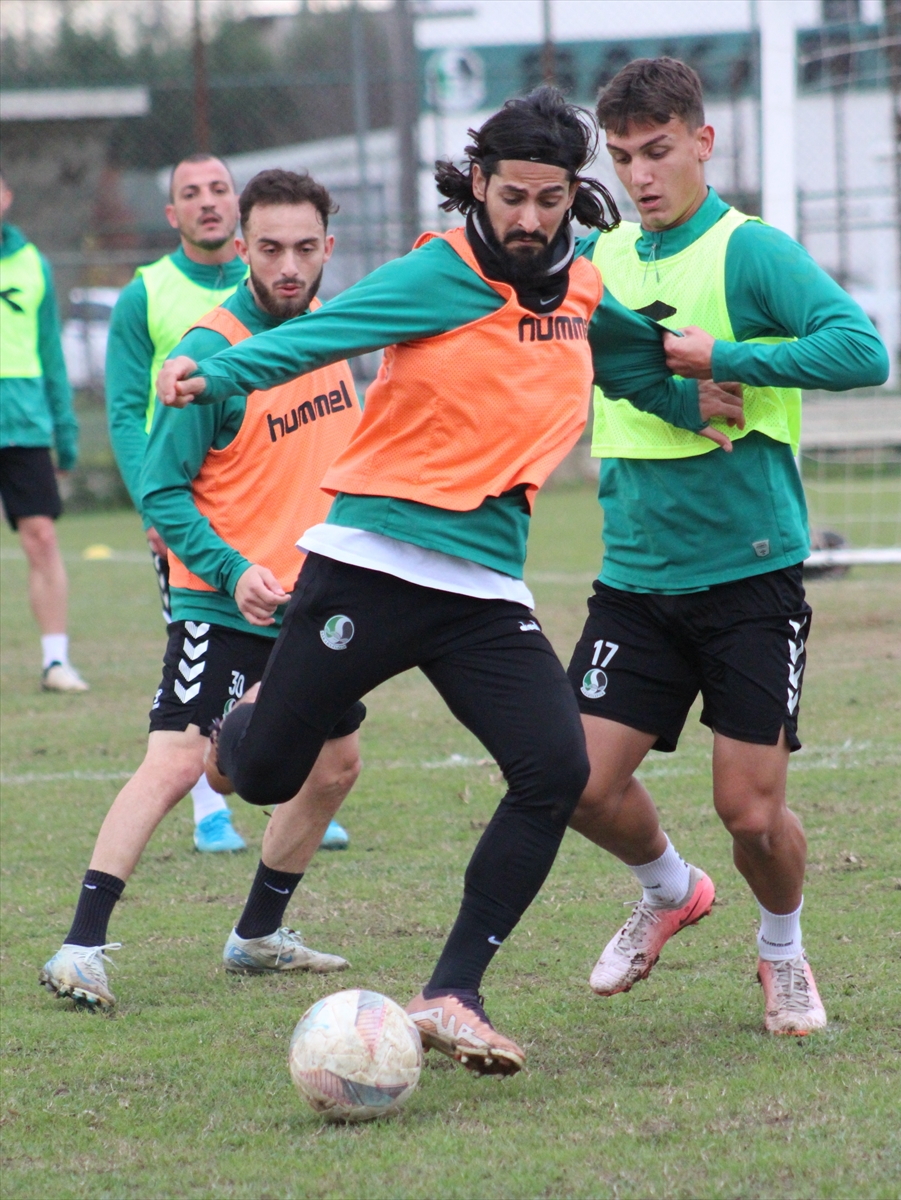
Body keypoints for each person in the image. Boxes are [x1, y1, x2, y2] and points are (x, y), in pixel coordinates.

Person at [157, 89, 743, 1076]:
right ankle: (251, 714)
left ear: (570, 197)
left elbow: (625, 367)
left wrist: (689, 399)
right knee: (259, 775)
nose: (527, 218)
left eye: (548, 200)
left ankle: (453, 993)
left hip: (481, 588)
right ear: (478, 183)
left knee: (554, 771)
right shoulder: (441, 272)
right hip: (370, 562)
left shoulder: (582, 289)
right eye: (510, 195)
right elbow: (321, 334)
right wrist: (213, 374)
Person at [565, 58, 889, 1035]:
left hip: (748, 574)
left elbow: (860, 350)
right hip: (634, 576)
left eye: (658, 152)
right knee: (574, 783)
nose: (641, 175)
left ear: (703, 142)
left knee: (749, 814)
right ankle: (668, 890)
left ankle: (781, 953)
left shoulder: (750, 253)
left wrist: (728, 356)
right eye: (622, 158)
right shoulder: (601, 262)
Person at [40, 169, 365, 1011]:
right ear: (243, 249)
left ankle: (257, 935)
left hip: (310, 599)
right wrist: (230, 569)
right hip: (223, 599)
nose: (288, 266)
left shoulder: (331, 335)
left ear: (327, 247)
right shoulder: (215, 352)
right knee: (177, 761)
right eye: (269, 249)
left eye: (304, 248)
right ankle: (79, 946)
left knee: (333, 767)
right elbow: (159, 487)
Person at [105, 153, 349, 853]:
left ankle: (271, 782)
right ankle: (211, 809)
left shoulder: (318, 316)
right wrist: (153, 509)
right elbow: (130, 413)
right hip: (206, 526)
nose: (207, 201)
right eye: (192, 192)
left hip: (297, 560)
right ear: (173, 212)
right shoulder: (155, 299)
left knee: (311, 741)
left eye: (218, 187)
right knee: (189, 722)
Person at [0, 173, 87, 692]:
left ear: (8, 196)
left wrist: (65, 428)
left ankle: (56, 661)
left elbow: (51, 354)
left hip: (23, 425)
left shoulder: (33, 263)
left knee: (42, 538)